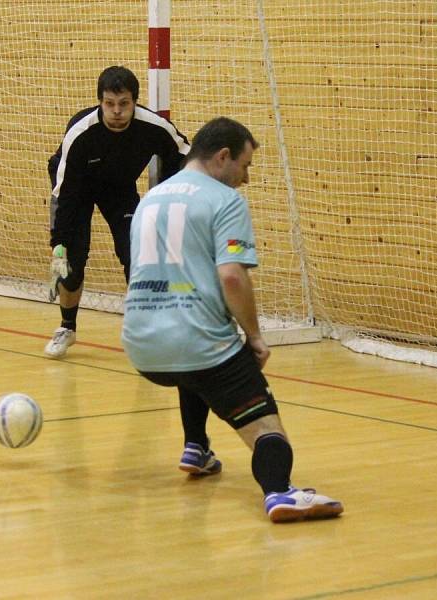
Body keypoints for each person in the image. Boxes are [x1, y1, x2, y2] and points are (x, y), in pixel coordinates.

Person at [121, 116, 344, 523]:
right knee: (265, 425)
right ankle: (280, 492)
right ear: (222, 157)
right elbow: (231, 275)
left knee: (195, 360)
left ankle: (197, 448)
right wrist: (254, 336)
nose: (246, 179)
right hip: (194, 342)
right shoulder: (225, 201)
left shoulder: (149, 200)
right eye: (245, 167)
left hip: (141, 343)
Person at [45, 66, 191, 358]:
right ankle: (67, 328)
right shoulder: (81, 132)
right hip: (77, 190)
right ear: (100, 101)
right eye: (109, 103)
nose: (116, 111)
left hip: (119, 188)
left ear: (134, 102)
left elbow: (185, 154)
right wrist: (58, 243)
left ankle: (146, 330)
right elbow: (66, 192)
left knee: (136, 253)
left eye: (124, 104)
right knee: (73, 262)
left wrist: (172, 195)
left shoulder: (153, 126)